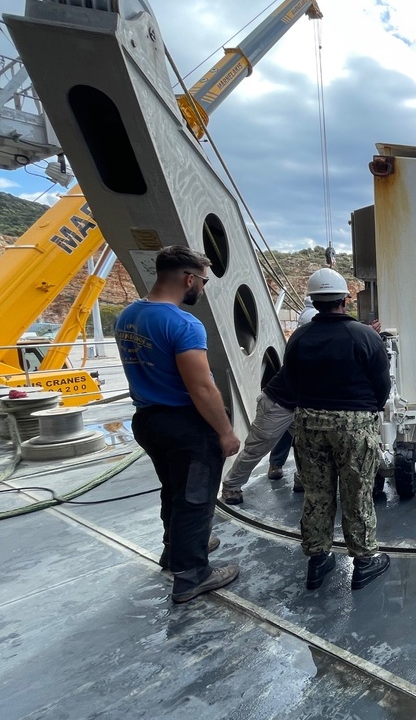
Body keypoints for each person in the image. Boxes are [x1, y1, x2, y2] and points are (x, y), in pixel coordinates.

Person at [114, 245, 241, 603]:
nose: (202, 288)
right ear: (189, 279)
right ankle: (192, 575)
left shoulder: (128, 315)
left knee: (173, 488)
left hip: (148, 420)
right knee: (196, 498)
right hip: (185, 426)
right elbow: (201, 387)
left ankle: (175, 551)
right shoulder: (183, 323)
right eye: (203, 280)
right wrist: (226, 432)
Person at [282, 267, 391, 591]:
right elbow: (381, 386)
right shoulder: (364, 336)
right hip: (354, 425)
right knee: (357, 493)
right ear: (345, 299)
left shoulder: (299, 337)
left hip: (309, 423)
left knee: (317, 493)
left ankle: (318, 561)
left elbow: (290, 383)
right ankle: (364, 562)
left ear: (314, 301)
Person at [219, 366, 296, 504]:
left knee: (311, 446)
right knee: (257, 448)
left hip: (302, 405)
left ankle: (303, 478)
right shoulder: (307, 345)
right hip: (278, 404)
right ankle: (232, 486)